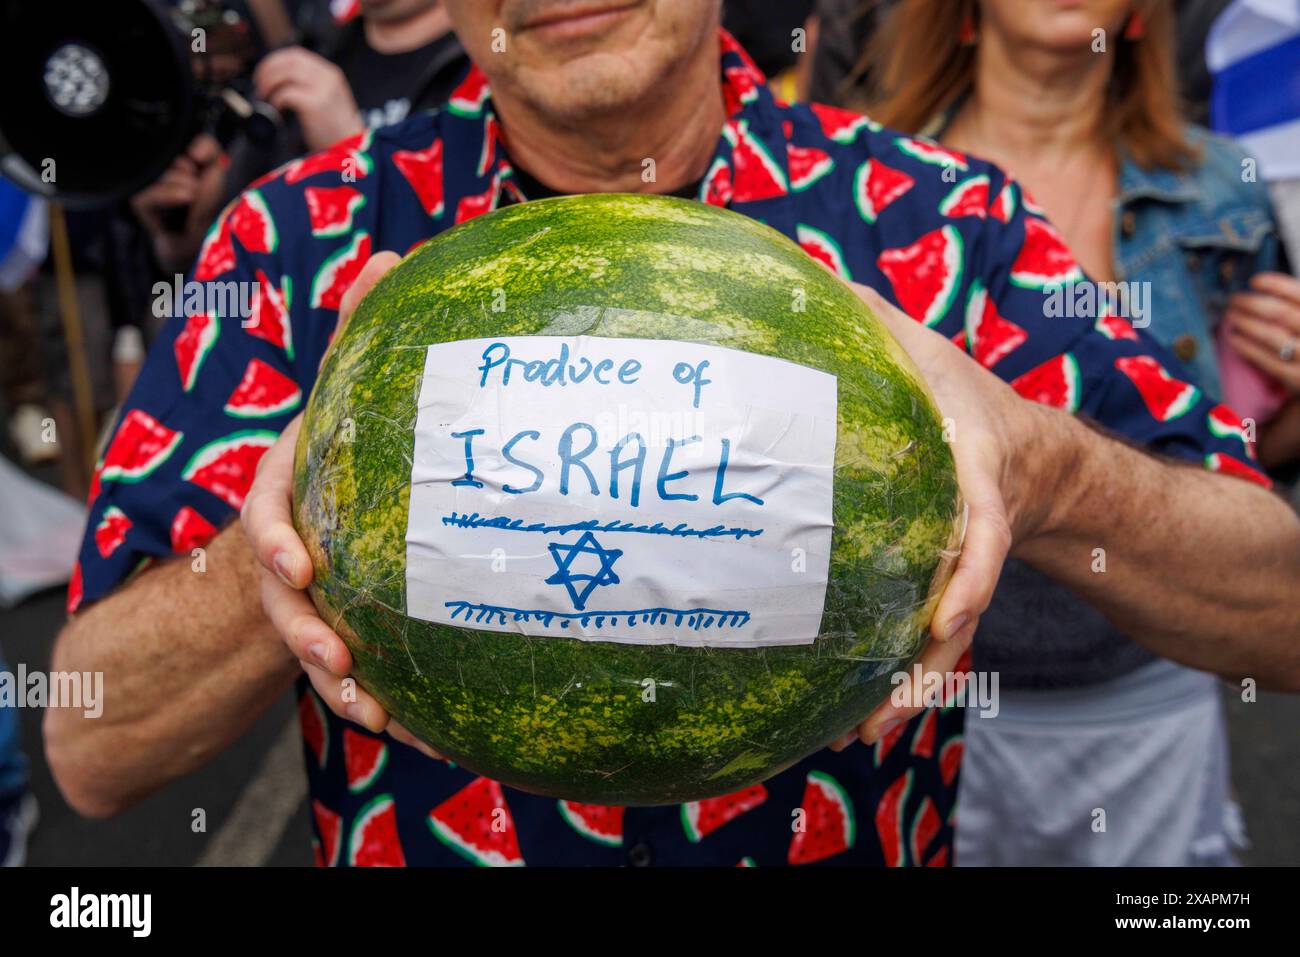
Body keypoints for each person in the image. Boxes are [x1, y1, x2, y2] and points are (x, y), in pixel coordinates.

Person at [47, 0, 1300, 868]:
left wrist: (1051, 465)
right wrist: (310, 521)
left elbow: (1278, 612)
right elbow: (91, 747)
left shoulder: (941, 217)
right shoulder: (298, 240)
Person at [858, 0, 1300, 865]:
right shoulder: (868, 180)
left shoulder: (1219, 184)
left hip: (1147, 704)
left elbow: (1245, 458)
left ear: (1139, 15)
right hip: (918, 709)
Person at [132, 0, 468, 274]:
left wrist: (352, 155)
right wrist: (184, 230)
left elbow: (474, 269)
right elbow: (226, 268)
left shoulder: (491, 69)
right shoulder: (303, 57)